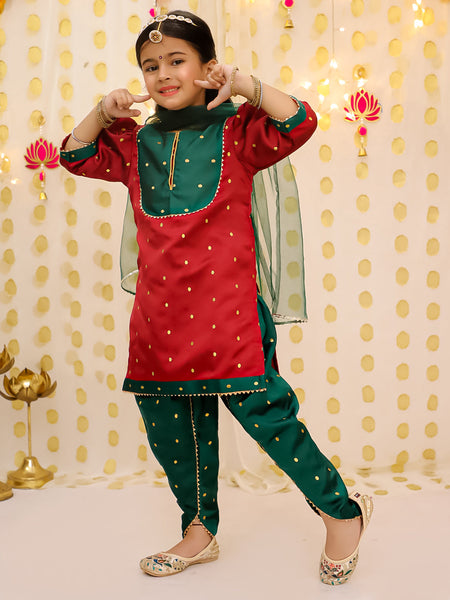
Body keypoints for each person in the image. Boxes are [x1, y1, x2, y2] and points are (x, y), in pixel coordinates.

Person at [60, 9, 372, 585]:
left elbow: (300, 121)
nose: (162, 74)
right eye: (150, 66)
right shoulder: (137, 143)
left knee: (268, 419)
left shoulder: (239, 134)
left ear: (207, 67)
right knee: (172, 429)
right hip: (157, 318)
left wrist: (246, 84)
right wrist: (101, 113)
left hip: (228, 315)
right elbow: (74, 155)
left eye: (176, 60)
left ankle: (341, 512)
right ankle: (199, 529)